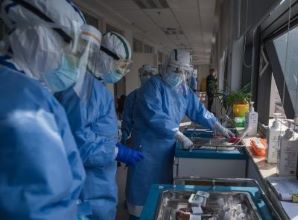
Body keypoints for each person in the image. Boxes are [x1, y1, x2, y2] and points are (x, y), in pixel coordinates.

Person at [0, 0, 94, 218]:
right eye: (71, 47)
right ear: (40, 35)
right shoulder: (25, 101)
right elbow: (40, 207)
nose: (74, 60)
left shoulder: (23, 87)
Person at [125, 49, 234, 220]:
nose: (179, 75)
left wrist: (217, 125)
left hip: (166, 150)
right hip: (146, 150)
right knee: (142, 199)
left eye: (184, 71)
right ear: (166, 67)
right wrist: (180, 136)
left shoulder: (183, 90)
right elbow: (155, 116)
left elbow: (199, 111)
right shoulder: (152, 86)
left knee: (161, 198)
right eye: (176, 70)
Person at [56, 31, 144, 220]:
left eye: (127, 67)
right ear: (104, 56)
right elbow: (77, 143)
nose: (123, 71)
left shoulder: (96, 85)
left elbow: (93, 127)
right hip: (87, 185)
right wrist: (115, 152)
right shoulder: (83, 89)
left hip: (100, 178)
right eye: (121, 64)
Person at [121, 64, 157, 144]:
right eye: (145, 74)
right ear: (140, 76)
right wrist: (124, 137)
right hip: (139, 141)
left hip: (159, 142)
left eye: (151, 74)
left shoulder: (162, 96)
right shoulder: (132, 97)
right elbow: (127, 121)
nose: (148, 77)